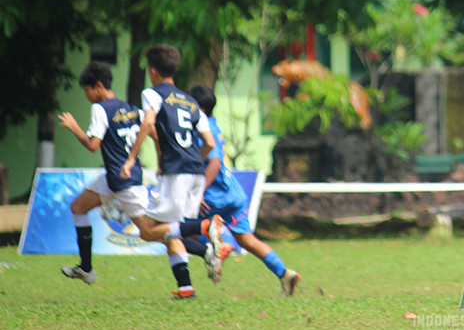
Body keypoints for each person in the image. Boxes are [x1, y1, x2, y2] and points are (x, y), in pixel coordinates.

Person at [172, 84, 300, 296]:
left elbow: (213, 163)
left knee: (173, 231)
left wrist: (198, 192)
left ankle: (198, 270)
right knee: (246, 240)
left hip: (213, 196)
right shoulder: (213, 124)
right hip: (231, 194)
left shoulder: (206, 129)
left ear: (200, 110)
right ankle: (285, 274)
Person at [120, 44, 217, 299]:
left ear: (153, 71)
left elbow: (149, 122)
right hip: (195, 171)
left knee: (148, 230)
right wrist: (194, 161)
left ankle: (206, 227)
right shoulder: (191, 101)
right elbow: (209, 143)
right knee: (171, 230)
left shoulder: (153, 94)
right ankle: (186, 287)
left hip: (177, 173)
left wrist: (131, 158)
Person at [56, 61, 146, 285]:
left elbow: (93, 145)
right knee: (78, 207)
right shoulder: (130, 108)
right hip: (120, 175)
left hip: (122, 180)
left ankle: (202, 242)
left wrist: (74, 127)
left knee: (150, 230)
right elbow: (149, 128)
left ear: (98, 86)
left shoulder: (100, 108)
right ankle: (86, 268)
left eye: (87, 90)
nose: (86, 96)